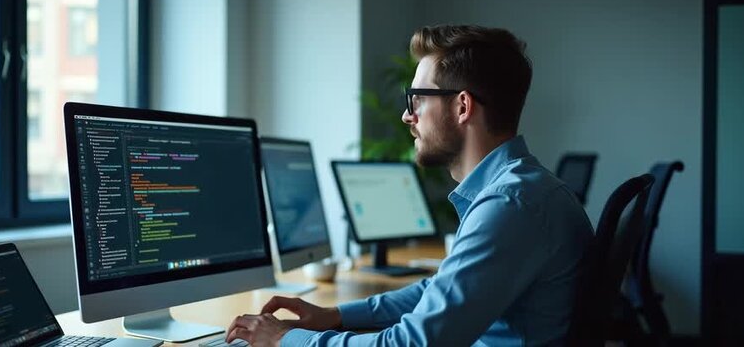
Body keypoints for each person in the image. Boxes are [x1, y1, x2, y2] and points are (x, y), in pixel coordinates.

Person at [225, 24, 594, 346]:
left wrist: (284, 338)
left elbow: (412, 343)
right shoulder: (519, 189)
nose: (407, 115)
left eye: (417, 99)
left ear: (462, 107)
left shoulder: (510, 204)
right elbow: (440, 291)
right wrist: (335, 315)